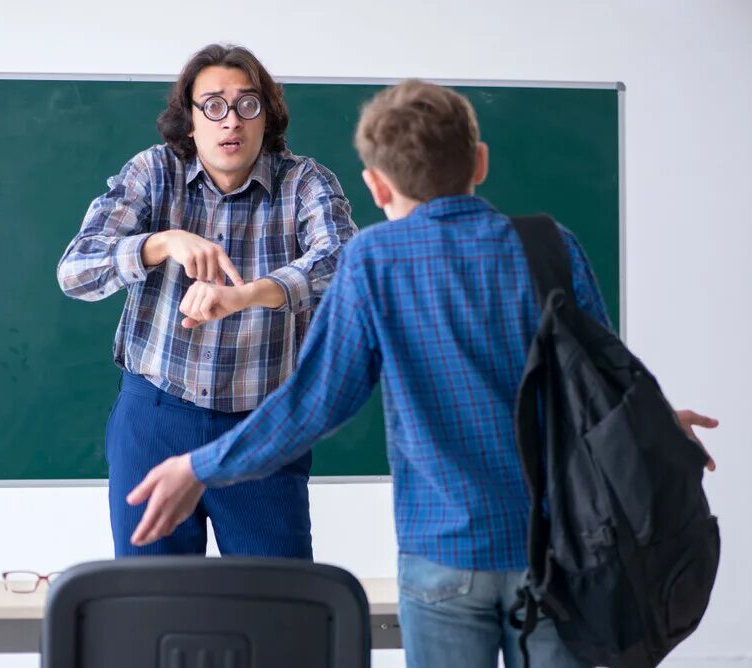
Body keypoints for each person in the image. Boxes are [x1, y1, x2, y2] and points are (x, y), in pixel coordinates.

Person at [124, 79, 718, 667]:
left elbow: (311, 407)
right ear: (479, 162)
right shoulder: (550, 245)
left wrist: (198, 465)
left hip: (443, 554)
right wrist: (657, 421)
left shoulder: (374, 260)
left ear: (377, 186)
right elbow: (601, 381)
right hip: (558, 552)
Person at [57, 43, 357, 559]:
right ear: (190, 122)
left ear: (267, 117)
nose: (231, 121)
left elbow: (346, 263)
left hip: (263, 429)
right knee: (152, 604)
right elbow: (76, 270)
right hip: (155, 417)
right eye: (213, 105)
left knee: (275, 607)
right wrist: (161, 243)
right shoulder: (152, 172)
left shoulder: (305, 181)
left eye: (247, 104)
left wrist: (248, 295)